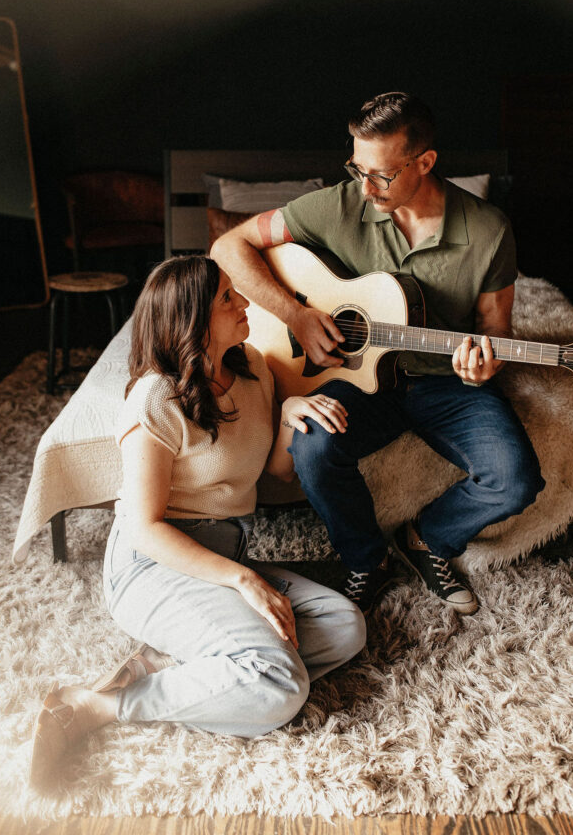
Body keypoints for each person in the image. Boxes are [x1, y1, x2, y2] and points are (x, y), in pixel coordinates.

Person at [30, 255, 365, 793]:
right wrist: (241, 578)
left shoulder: (252, 367)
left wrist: (287, 417)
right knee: (279, 685)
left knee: (345, 627)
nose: (245, 304)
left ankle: (176, 664)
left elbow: (276, 475)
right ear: (191, 321)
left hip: (222, 554)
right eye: (228, 299)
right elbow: (143, 528)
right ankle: (101, 705)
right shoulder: (155, 398)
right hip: (151, 565)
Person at [211, 91, 546, 617]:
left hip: (446, 384)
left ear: (425, 162)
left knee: (516, 479)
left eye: (382, 175)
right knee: (313, 448)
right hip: (355, 380)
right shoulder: (340, 204)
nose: (365, 187)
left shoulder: (488, 230)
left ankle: (427, 539)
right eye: (356, 167)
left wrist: (483, 369)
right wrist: (297, 315)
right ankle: (367, 559)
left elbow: (493, 332)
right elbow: (228, 247)